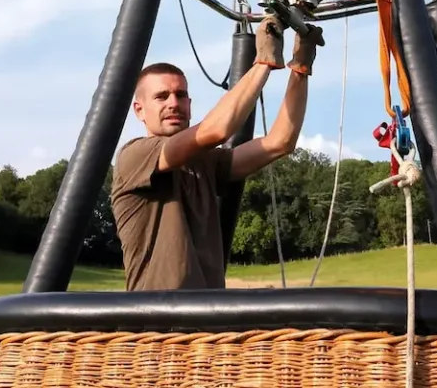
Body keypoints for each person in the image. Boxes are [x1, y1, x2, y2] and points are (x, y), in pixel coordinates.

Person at [110, 15, 323, 292]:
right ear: (139, 110)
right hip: (157, 323)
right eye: (161, 97)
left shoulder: (206, 163)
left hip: (209, 318)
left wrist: (300, 67)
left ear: (189, 103)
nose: (173, 103)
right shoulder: (134, 157)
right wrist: (263, 63)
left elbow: (280, 142)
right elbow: (216, 130)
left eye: (180, 95)